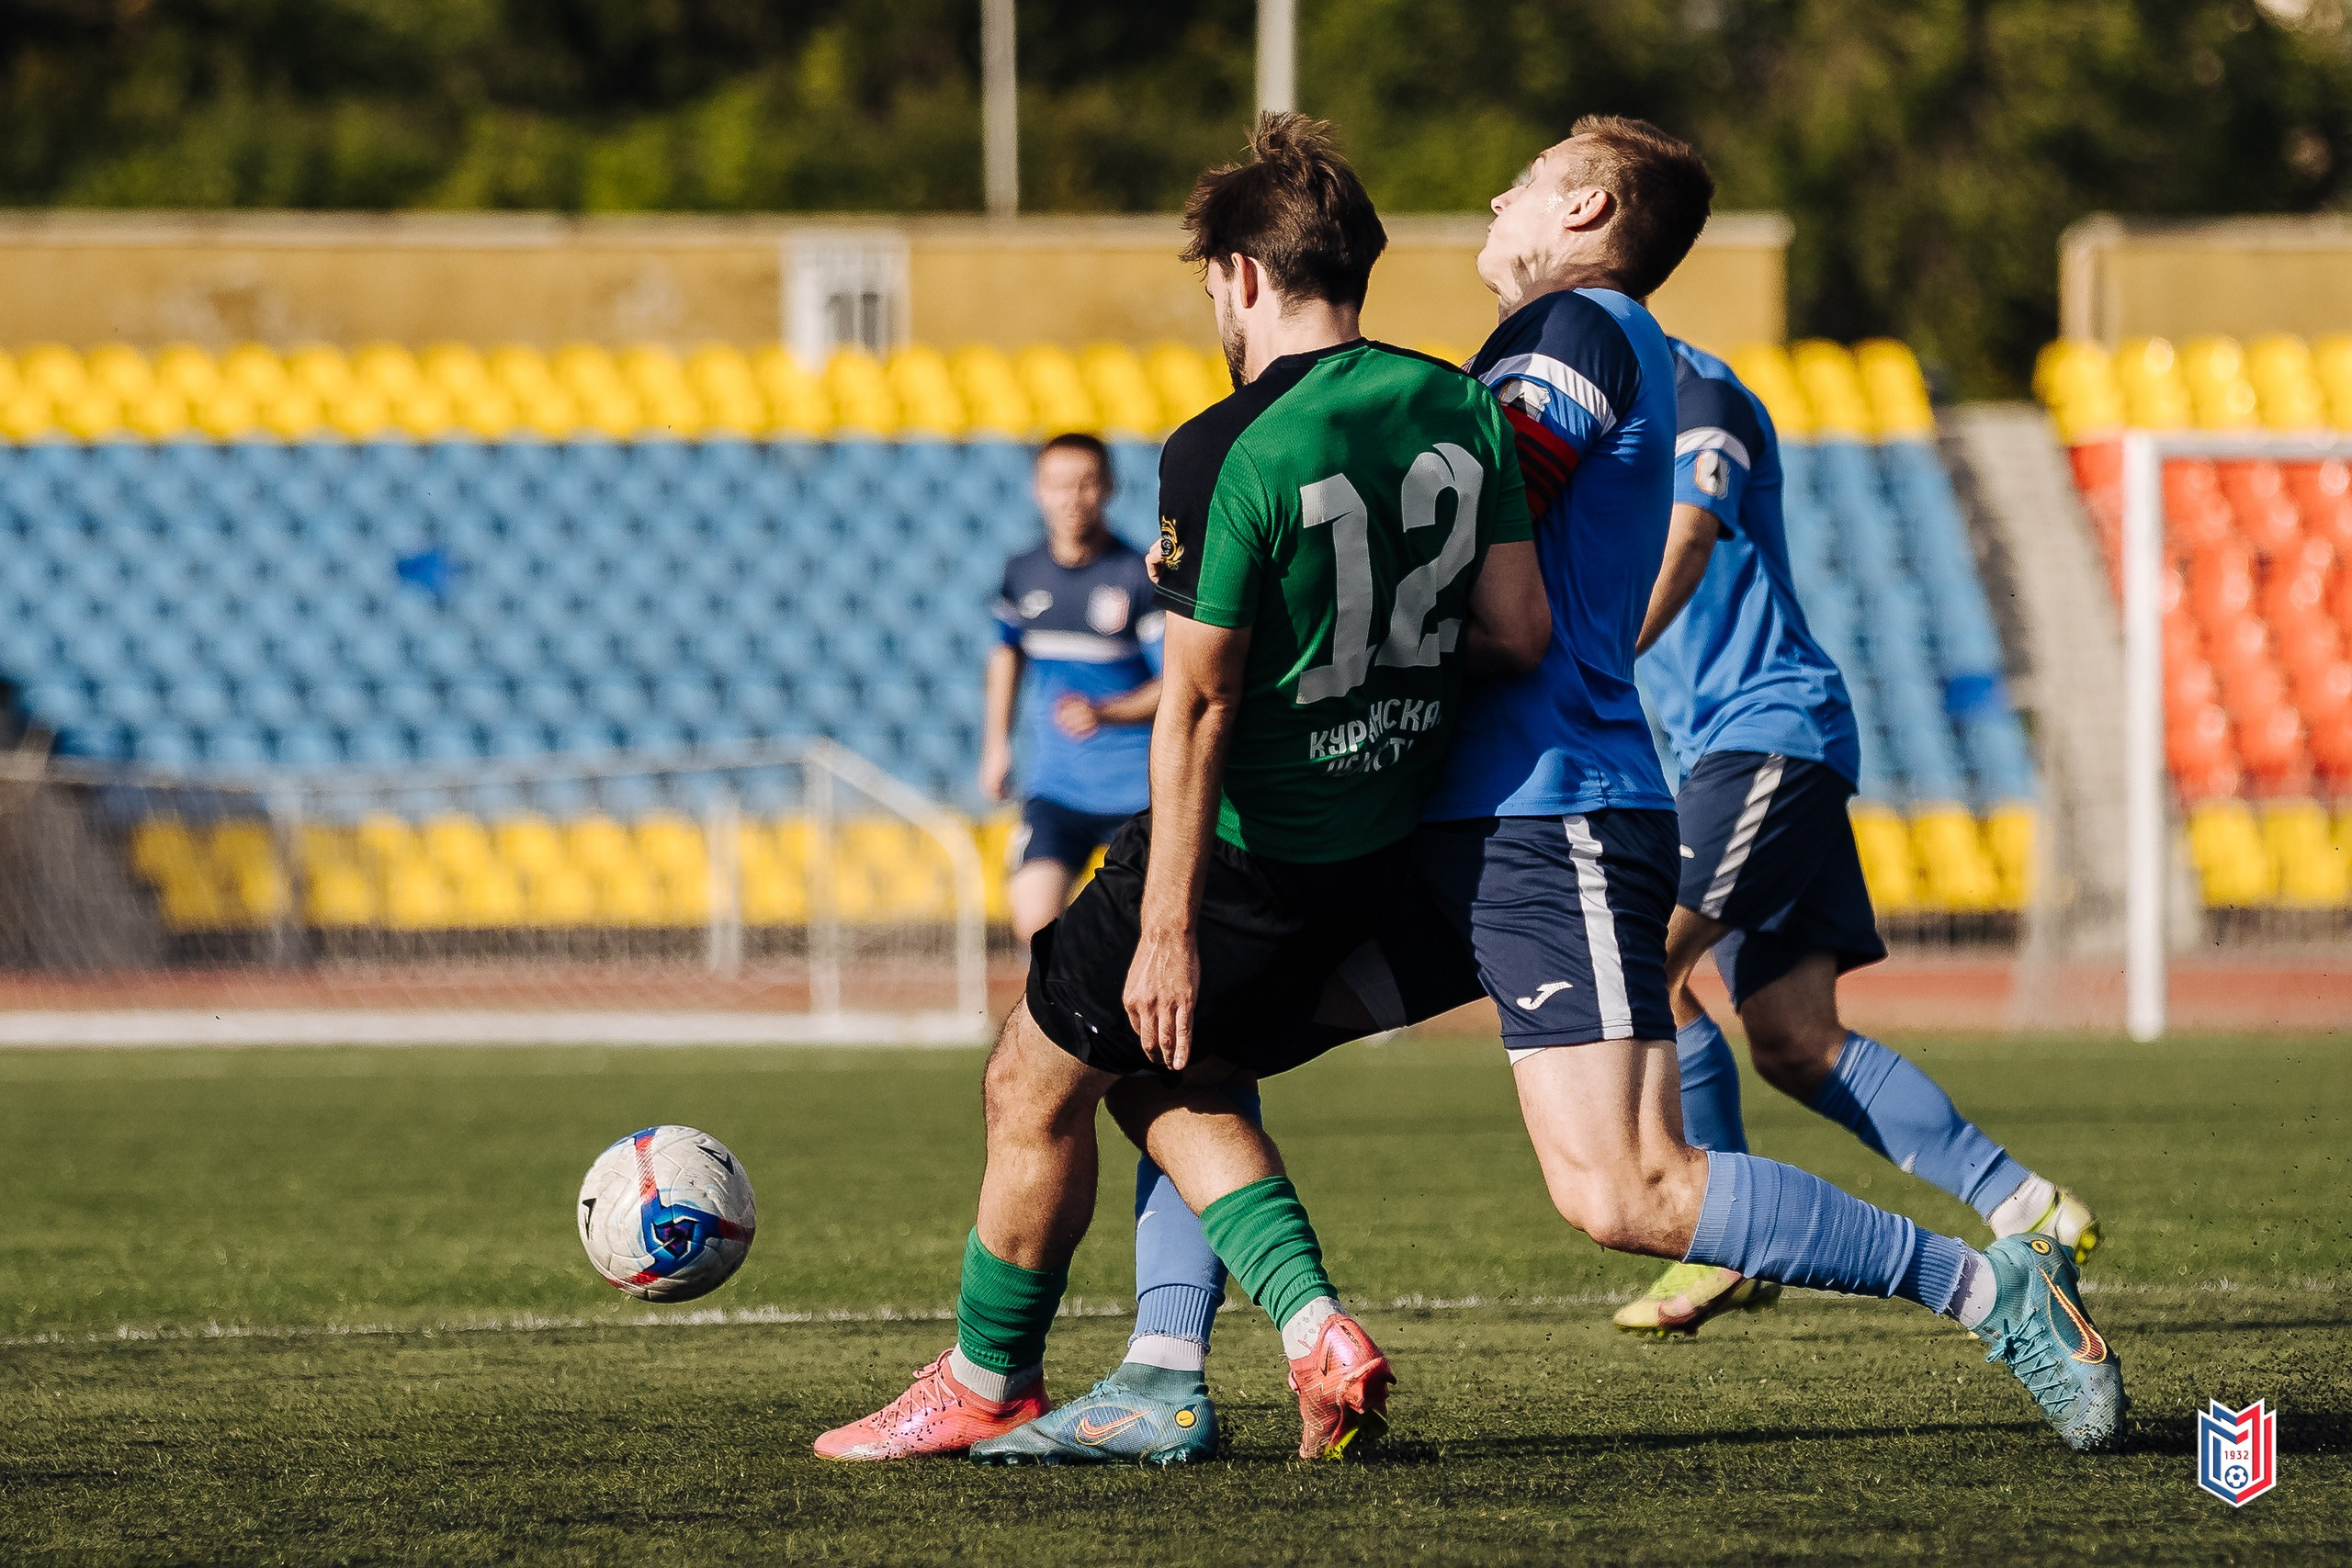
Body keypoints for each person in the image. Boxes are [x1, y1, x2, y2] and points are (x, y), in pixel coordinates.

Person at [1066, 116, 2122, 1463]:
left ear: (1588, 209)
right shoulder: (1534, 346)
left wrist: (1277, 504)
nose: (1498, 192)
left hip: (1544, 809)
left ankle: (1992, 1285)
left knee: (1628, 1188)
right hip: (1446, 818)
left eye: (1529, 177)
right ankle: (1165, 1367)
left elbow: (1449, 528)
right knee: (1183, 1046)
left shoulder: (1582, 331)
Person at [812, 111, 1553, 1465]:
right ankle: (1312, 1326)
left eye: (1213, 280)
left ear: (1246, 277)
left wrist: (1163, 922)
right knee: (1176, 1071)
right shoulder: (1458, 403)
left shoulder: (1225, 446)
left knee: (1031, 1078)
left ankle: (986, 1379)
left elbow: (1200, 699)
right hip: (1375, 842)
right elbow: (1517, 632)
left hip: (1242, 850)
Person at [1608, 336, 2102, 1335]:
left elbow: (1692, 532)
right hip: (1732, 750)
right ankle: (2025, 1204)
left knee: (1638, 963)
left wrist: (1594, 657)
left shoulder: (1693, 388)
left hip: (1764, 735)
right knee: (1794, 1040)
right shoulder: (1589, 415)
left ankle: (1718, 1248)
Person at [979, 434, 1163, 944]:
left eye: (1086, 484)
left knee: (1146, 933)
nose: (1073, 498)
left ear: (1109, 487)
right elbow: (1006, 655)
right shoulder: (1022, 574)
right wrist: (996, 747)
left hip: (1139, 794)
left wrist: (1106, 713)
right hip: (1058, 789)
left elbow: (1176, 685)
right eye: (1060, 485)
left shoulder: (1137, 578)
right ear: (1038, 490)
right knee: (1035, 925)